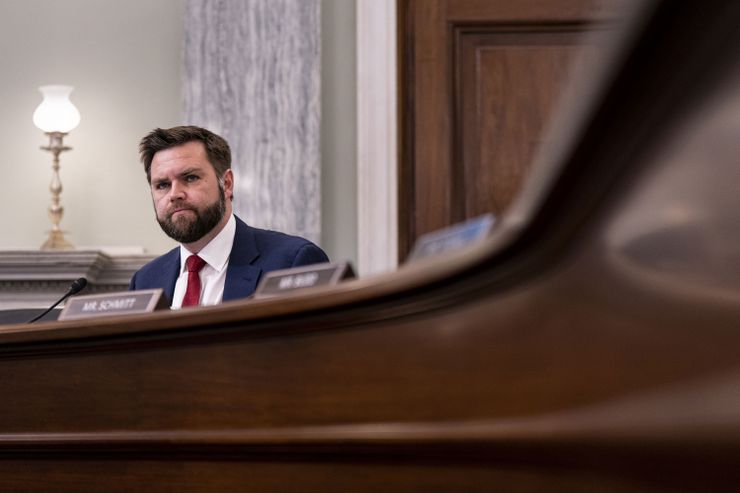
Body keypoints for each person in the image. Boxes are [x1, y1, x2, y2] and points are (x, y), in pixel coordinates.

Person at [129, 125, 329, 307]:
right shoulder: (145, 281)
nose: (174, 194)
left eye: (190, 178)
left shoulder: (293, 262)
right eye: (162, 185)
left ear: (227, 184)